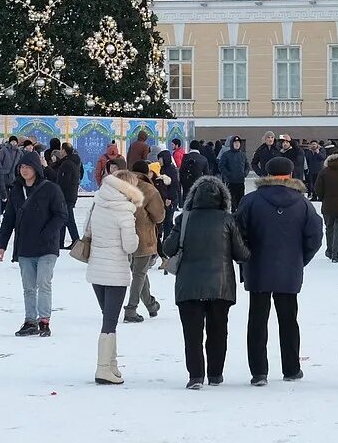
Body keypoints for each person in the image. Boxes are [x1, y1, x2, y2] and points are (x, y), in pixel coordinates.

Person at [234, 156, 323, 386]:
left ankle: (259, 372)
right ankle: (291, 368)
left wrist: (246, 257)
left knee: (257, 320)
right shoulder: (303, 203)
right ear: (291, 175)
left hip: (258, 268)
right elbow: (314, 236)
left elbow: (237, 233)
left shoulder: (251, 200)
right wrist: (300, 258)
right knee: (289, 319)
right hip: (289, 269)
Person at [161, 174, 250, 390]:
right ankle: (216, 374)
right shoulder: (228, 220)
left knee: (192, 333)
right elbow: (242, 254)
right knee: (218, 330)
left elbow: (168, 248)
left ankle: (196, 376)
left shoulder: (184, 219)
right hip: (221, 285)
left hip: (188, 286)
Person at [0, 151, 67, 338]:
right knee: (28, 286)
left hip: (46, 246)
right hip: (25, 246)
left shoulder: (51, 189)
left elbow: (61, 215)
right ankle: (30, 321)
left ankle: (44, 321)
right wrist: (1, 244)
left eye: (27, 167)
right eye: (21, 167)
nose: (24, 170)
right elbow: (9, 218)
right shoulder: (16, 190)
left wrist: (46, 234)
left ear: (36, 168)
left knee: (43, 283)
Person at [86, 163, 144, 384]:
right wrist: (137, 237)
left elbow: (87, 231)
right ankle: (103, 368)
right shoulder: (125, 212)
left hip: (96, 269)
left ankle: (111, 364)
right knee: (110, 322)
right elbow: (130, 246)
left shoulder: (97, 203)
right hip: (115, 271)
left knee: (107, 317)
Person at [123, 159, 166, 324]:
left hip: (124, 234)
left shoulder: (122, 187)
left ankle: (150, 305)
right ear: (146, 172)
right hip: (143, 236)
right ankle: (131, 309)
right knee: (139, 274)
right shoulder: (149, 190)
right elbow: (159, 215)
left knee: (139, 272)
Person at [56, 142, 83, 247]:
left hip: (66, 195)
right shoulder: (74, 162)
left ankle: (75, 241)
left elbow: (64, 181)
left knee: (68, 219)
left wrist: (58, 193)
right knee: (64, 218)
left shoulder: (67, 163)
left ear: (64, 150)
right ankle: (61, 242)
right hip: (70, 194)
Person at [217, 135, 249, 210]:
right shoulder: (226, 154)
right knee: (231, 201)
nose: (237, 144)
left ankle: (239, 215)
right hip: (230, 182)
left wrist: (245, 173)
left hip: (240, 181)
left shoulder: (242, 154)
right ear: (232, 144)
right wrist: (227, 175)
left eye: (238, 142)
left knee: (240, 201)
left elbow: (247, 165)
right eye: (235, 142)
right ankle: (232, 215)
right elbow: (221, 166)